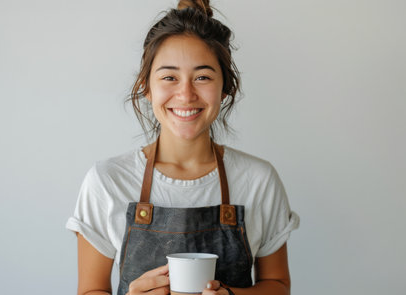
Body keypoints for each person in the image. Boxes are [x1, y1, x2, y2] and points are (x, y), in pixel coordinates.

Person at [66, 1, 300, 295]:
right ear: (146, 87)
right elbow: (89, 291)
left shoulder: (258, 179)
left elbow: (278, 286)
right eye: (169, 77)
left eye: (202, 77)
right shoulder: (107, 180)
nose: (186, 94)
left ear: (225, 87)